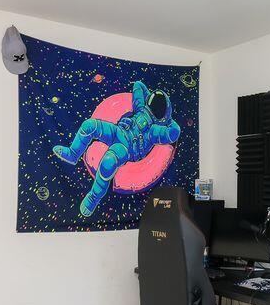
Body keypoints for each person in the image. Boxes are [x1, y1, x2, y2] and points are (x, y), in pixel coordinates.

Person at [52, 81, 180, 216]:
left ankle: (93, 198)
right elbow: (138, 85)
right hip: (118, 132)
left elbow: (174, 133)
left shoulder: (155, 131)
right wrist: (164, 115)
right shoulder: (141, 108)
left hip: (126, 148)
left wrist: (167, 119)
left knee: (108, 162)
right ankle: (73, 154)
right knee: (89, 126)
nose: (154, 107)